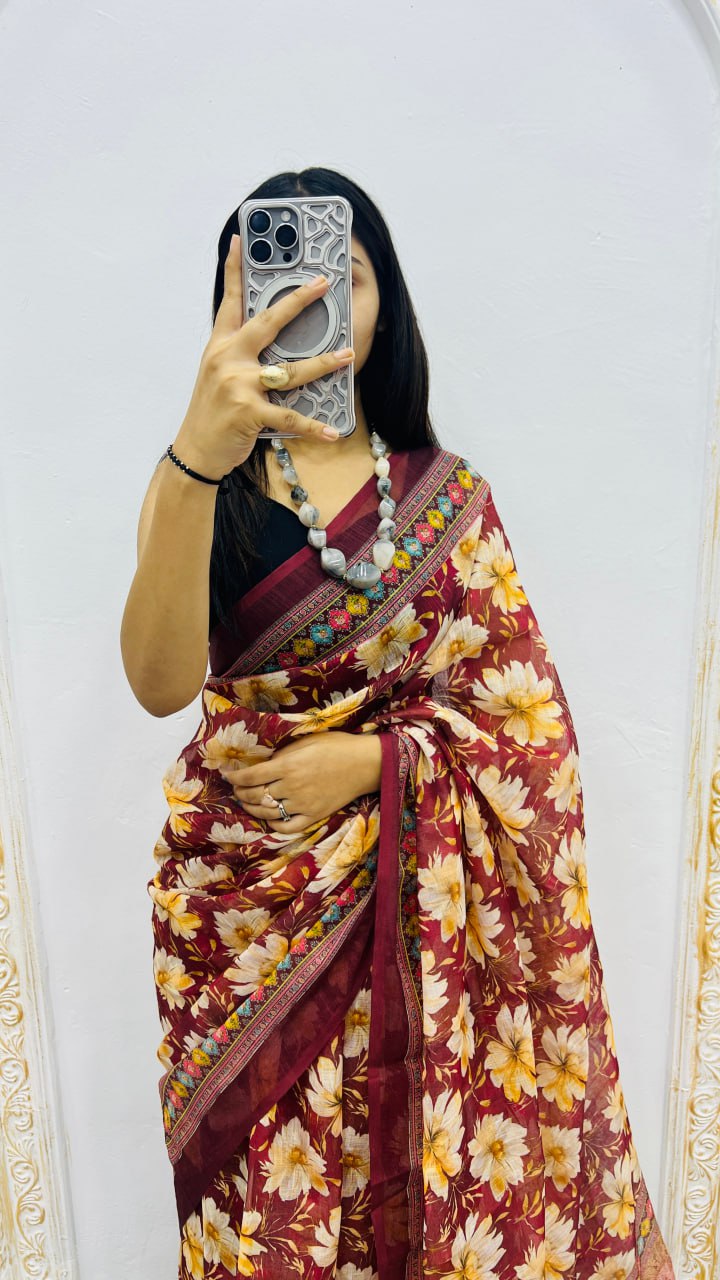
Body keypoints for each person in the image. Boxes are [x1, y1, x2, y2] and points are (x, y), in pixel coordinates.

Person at [120, 168, 676, 1280]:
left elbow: (529, 734)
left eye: (348, 274)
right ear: (229, 304)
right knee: (271, 1223)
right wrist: (195, 453)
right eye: (270, 277)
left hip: (425, 935)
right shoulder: (198, 485)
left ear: (387, 304)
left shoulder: (448, 498)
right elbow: (159, 681)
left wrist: (376, 763)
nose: (311, 298)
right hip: (254, 925)